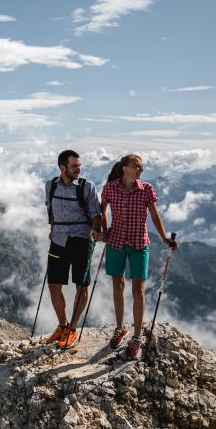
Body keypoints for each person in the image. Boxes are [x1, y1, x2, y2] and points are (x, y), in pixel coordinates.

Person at [100, 153, 178, 358]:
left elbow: (154, 214)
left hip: (138, 243)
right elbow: (102, 210)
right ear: (125, 167)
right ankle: (120, 328)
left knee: (138, 289)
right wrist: (104, 230)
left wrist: (163, 238)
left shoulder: (146, 189)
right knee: (117, 284)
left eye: (141, 166)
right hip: (116, 241)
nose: (140, 169)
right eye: (137, 166)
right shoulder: (110, 188)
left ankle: (136, 337)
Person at [43, 149, 104, 348]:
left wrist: (96, 230)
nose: (79, 169)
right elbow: (50, 209)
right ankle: (62, 325)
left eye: (79, 165)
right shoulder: (50, 186)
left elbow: (96, 213)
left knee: (81, 285)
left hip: (81, 240)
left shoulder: (87, 187)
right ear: (63, 168)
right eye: (74, 166)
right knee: (53, 285)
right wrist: (53, 227)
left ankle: (73, 329)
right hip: (58, 240)